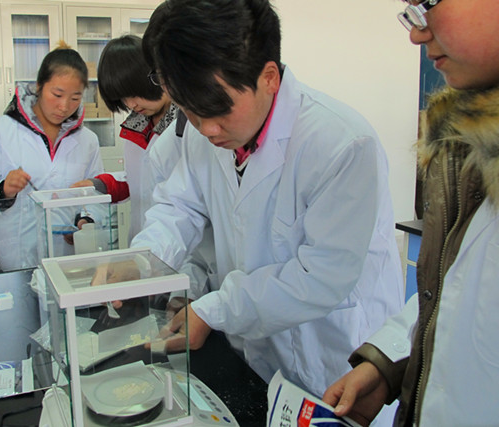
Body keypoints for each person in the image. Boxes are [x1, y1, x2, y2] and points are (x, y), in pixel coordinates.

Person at [128, 0, 404, 406]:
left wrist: (215, 310)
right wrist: (139, 265)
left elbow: (320, 276)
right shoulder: (203, 137)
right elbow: (179, 209)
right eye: (191, 111)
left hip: (332, 355)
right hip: (257, 354)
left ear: (269, 77)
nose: (208, 129)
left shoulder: (341, 143)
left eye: (217, 109)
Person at [322, 1, 499, 426]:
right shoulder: (472, 145)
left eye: (427, 2)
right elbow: (457, 294)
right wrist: (387, 365)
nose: (416, 32)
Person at [72, 33, 218, 300]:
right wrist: (104, 185)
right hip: (149, 245)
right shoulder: (135, 126)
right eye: (123, 98)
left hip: (187, 258)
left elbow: (186, 207)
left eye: (135, 92)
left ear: (156, 76)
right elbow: (138, 179)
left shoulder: (189, 127)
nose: (132, 104)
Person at [0, 42, 104, 272]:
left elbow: (96, 193)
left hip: (67, 261)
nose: (64, 106)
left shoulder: (87, 140)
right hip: (14, 260)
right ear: (39, 86)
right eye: (57, 94)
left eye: (75, 98)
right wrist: (2, 190)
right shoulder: (0, 131)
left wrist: (85, 221)